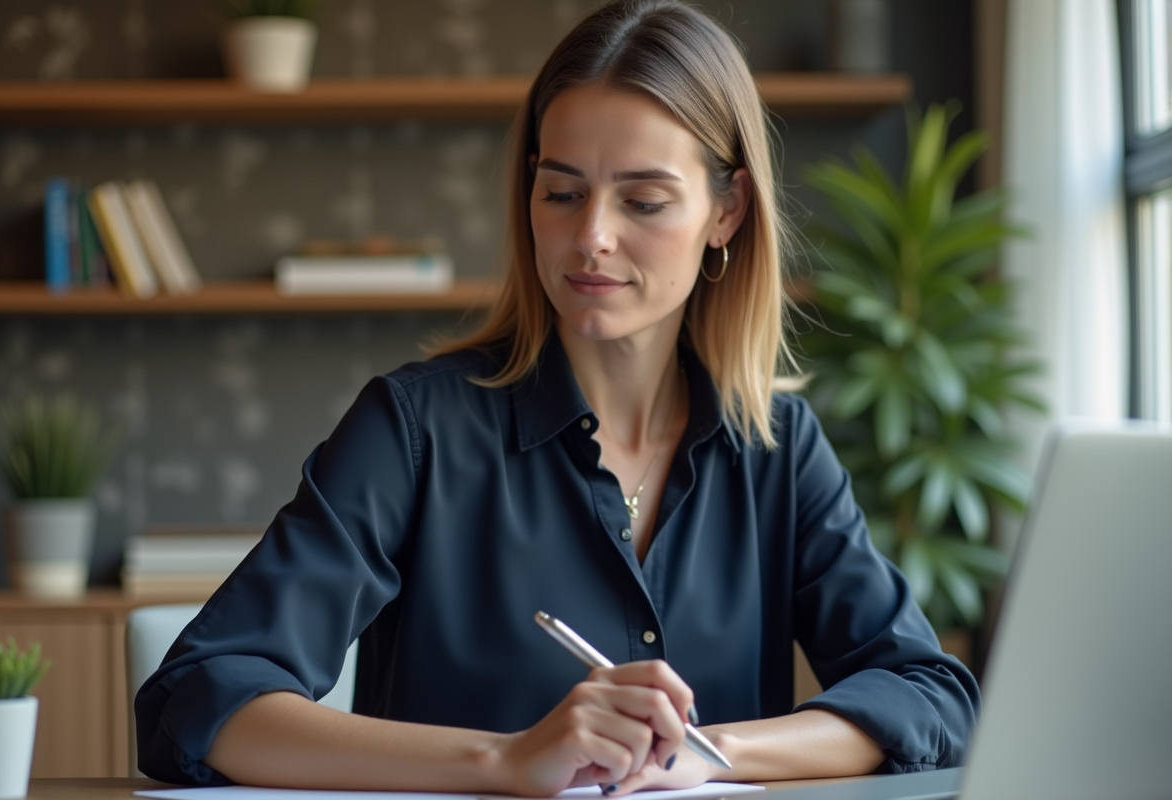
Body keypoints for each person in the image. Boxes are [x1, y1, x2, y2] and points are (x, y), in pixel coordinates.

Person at [134, 0, 979, 794]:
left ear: (726, 212)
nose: (591, 237)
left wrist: (707, 753)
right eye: (562, 193)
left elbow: (929, 695)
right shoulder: (415, 431)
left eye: (643, 200)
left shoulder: (779, 450)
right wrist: (504, 760)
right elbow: (201, 698)